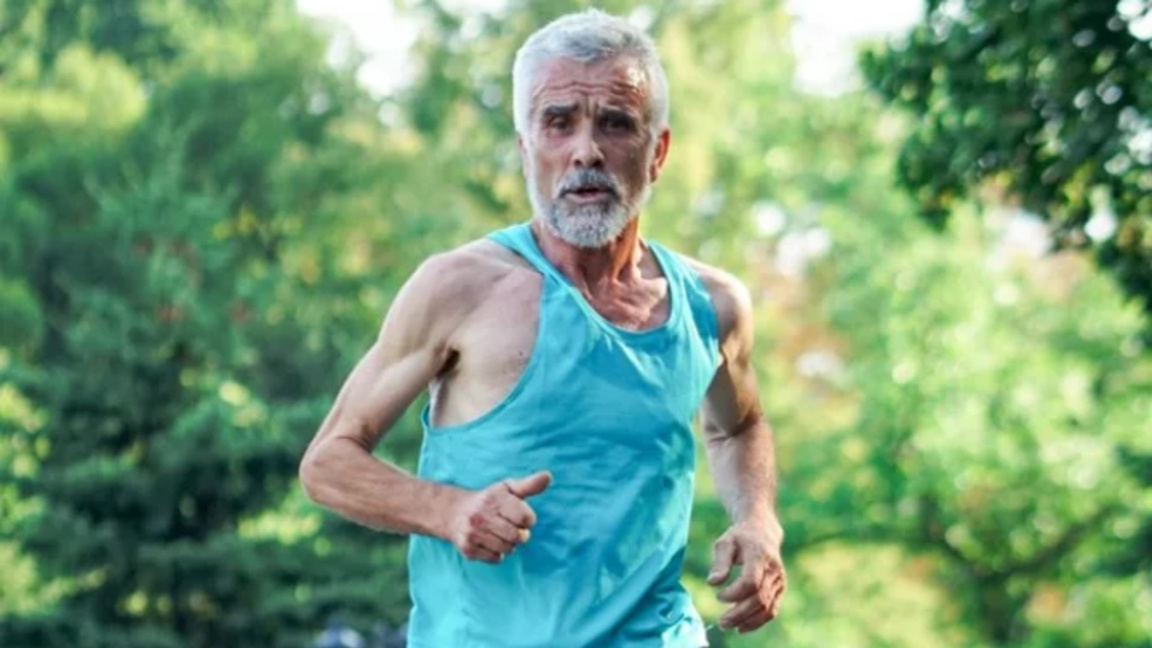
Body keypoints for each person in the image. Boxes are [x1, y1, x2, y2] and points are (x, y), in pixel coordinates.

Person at [299, 9, 785, 648]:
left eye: (616, 123)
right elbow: (328, 463)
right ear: (525, 148)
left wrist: (758, 519)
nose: (586, 151)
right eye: (559, 122)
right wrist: (449, 510)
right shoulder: (461, 287)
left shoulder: (711, 305)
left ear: (658, 152)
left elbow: (739, 426)